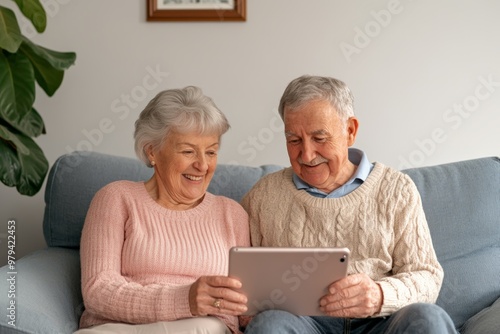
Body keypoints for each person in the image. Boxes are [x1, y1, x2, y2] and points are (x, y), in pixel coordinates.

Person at [240, 75, 457, 334]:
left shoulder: (397, 189)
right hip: (301, 323)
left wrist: (378, 295)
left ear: (350, 131)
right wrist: (241, 308)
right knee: (269, 325)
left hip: (380, 321)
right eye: (294, 140)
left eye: (319, 138)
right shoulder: (264, 195)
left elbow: (427, 275)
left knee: (428, 318)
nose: (306, 155)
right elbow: (235, 275)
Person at [76, 86, 249, 334]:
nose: (202, 165)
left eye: (211, 152)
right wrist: (184, 299)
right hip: (119, 329)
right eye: (188, 151)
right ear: (152, 151)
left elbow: (245, 310)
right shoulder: (116, 198)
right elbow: (98, 291)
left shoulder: (232, 214)